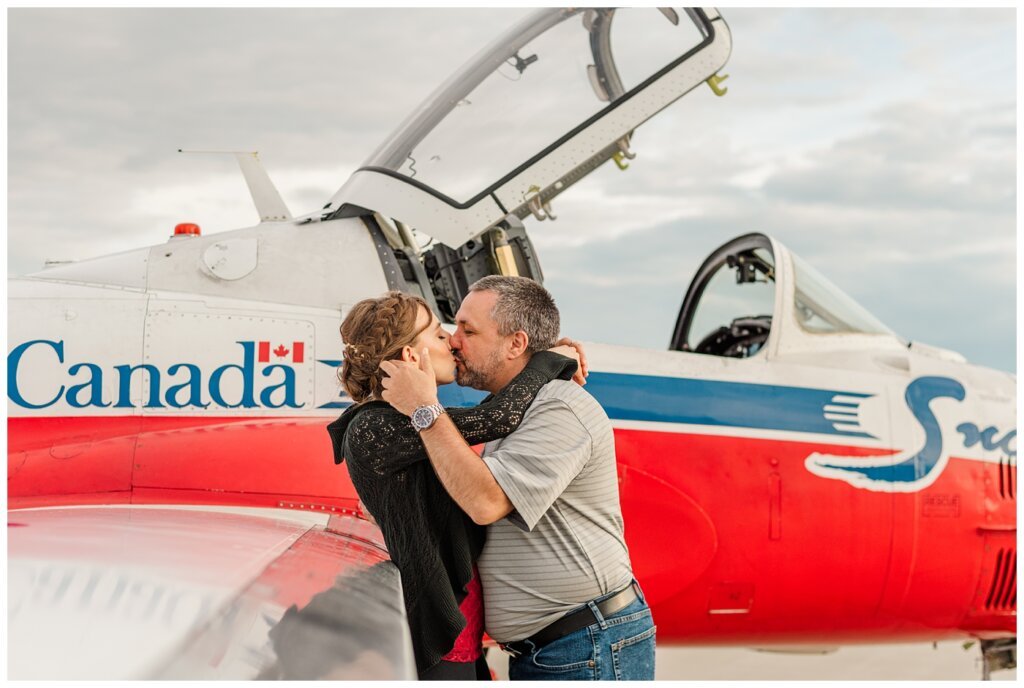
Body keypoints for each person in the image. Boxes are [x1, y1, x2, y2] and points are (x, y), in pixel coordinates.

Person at [380, 275, 656, 681]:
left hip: (587, 644)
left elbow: (486, 502)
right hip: (556, 648)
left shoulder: (559, 408)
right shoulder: (509, 411)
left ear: (516, 344)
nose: (454, 340)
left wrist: (423, 408)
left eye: (469, 330)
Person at [325, 290, 582, 680]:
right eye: (438, 334)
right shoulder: (376, 426)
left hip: (464, 628)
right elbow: (499, 416)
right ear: (412, 358)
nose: (452, 341)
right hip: (442, 635)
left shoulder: (405, 421)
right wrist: (550, 360)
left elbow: (479, 418)